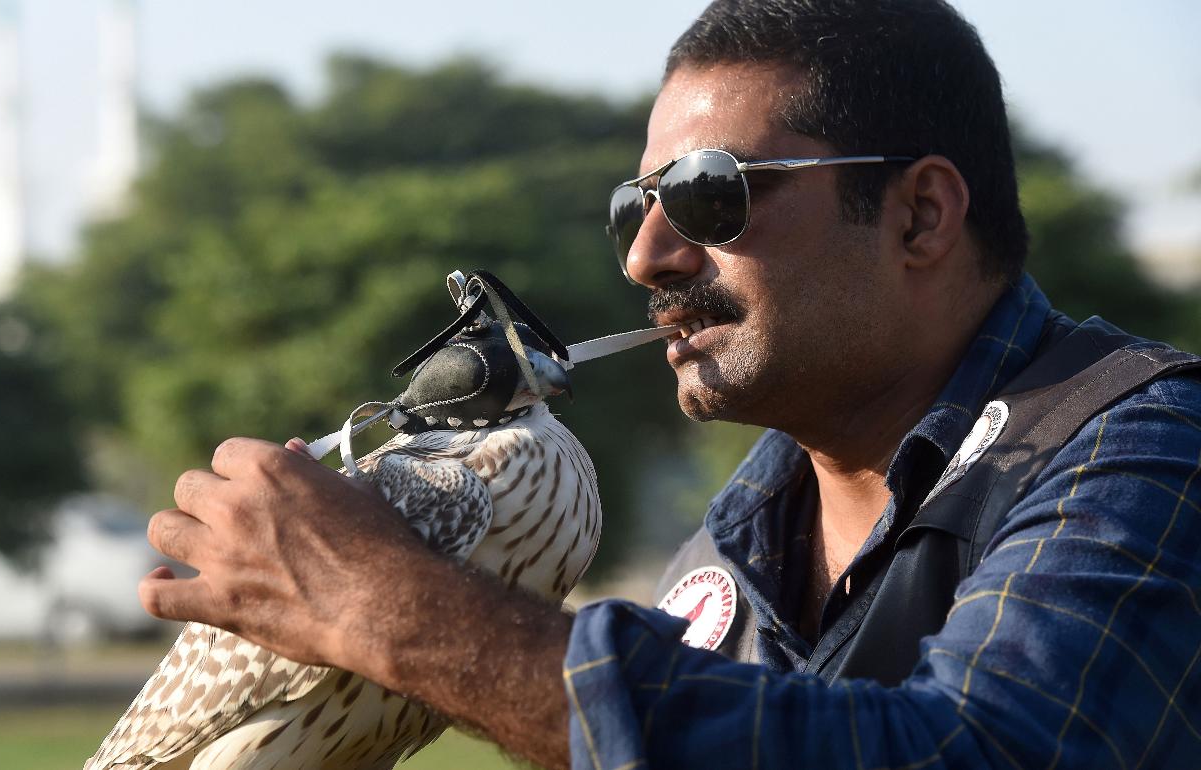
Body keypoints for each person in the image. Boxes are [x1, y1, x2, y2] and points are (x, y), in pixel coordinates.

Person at [139, 0, 1201, 767]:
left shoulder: (1145, 450)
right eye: (633, 207)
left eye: (708, 195)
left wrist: (387, 606)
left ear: (920, 215)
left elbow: (970, 750)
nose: (646, 257)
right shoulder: (735, 543)